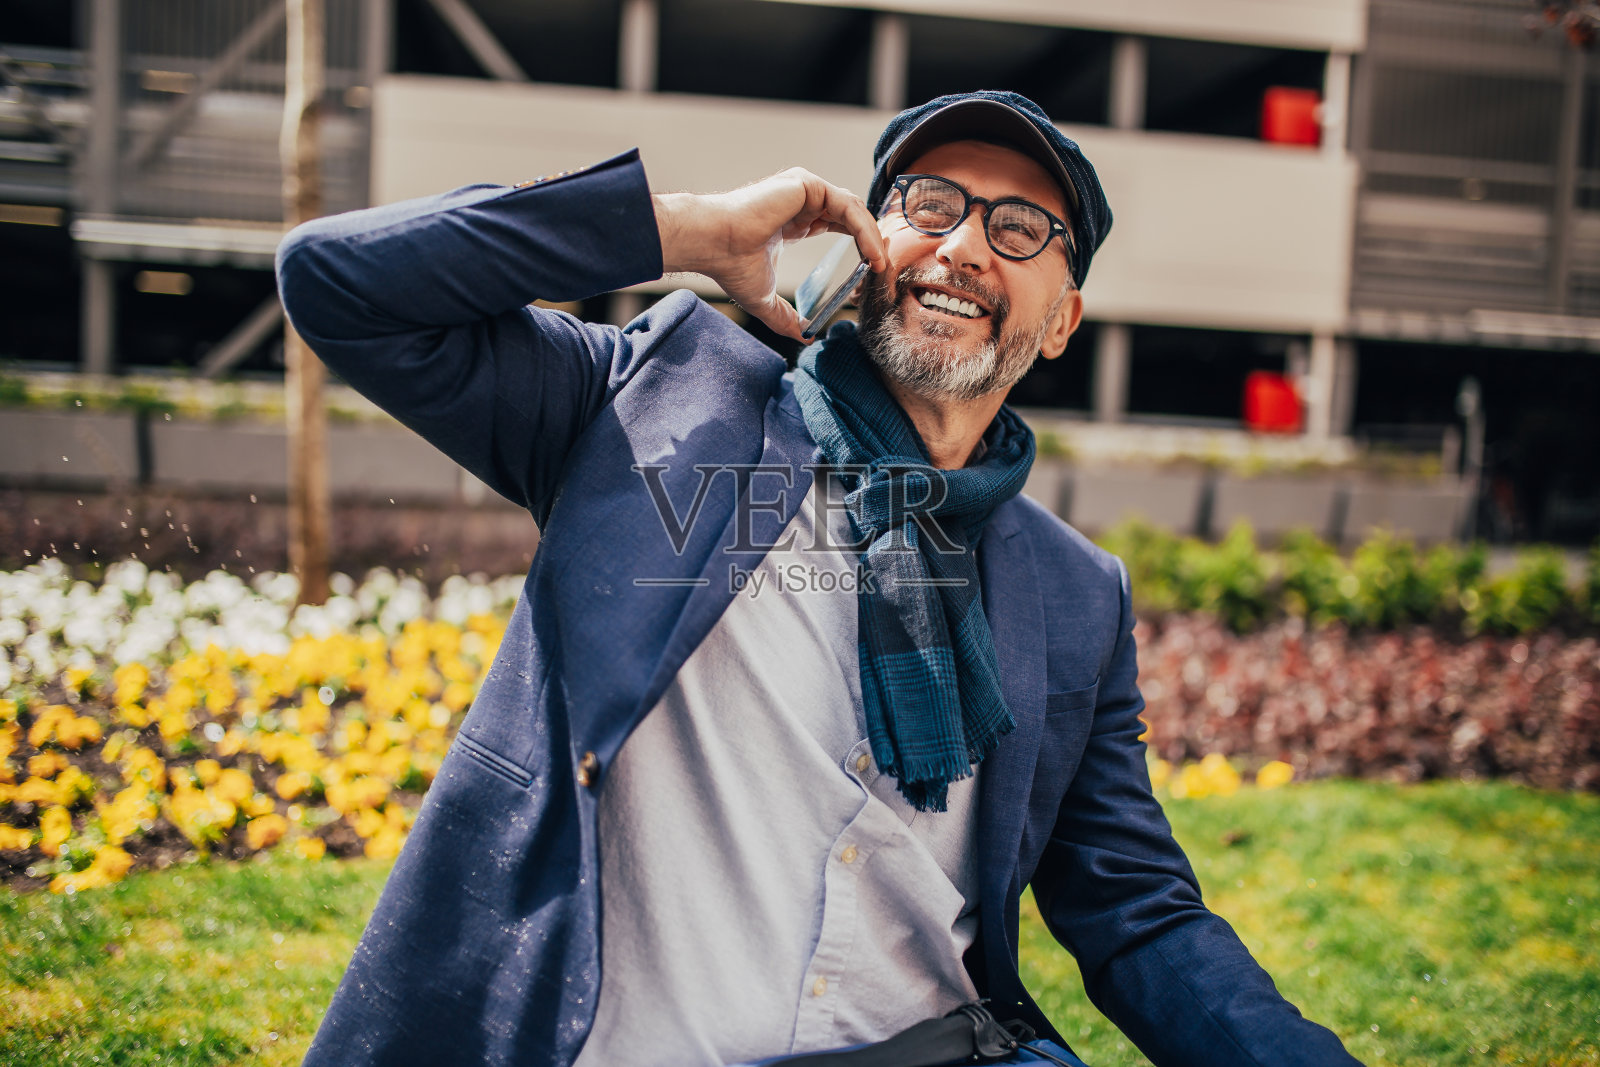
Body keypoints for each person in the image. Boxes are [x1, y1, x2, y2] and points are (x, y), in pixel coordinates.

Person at [276, 91, 1361, 1067]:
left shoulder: (1076, 593)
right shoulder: (649, 398)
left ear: (1063, 318)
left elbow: (1136, 911)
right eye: (930, 204)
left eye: (1020, 227)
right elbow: (338, 280)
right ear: (862, 244)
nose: (965, 243)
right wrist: (684, 227)